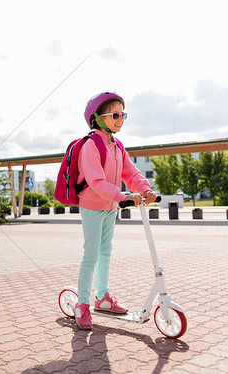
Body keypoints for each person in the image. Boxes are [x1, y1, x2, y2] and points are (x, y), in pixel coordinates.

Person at [74, 92, 157, 330]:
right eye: (115, 115)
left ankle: (102, 297)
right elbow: (96, 181)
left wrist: (145, 189)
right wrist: (123, 197)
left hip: (111, 207)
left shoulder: (117, 146)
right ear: (97, 118)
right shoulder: (92, 145)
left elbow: (131, 174)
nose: (121, 119)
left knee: (106, 252)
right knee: (91, 254)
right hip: (92, 206)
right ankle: (82, 303)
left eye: (123, 114)